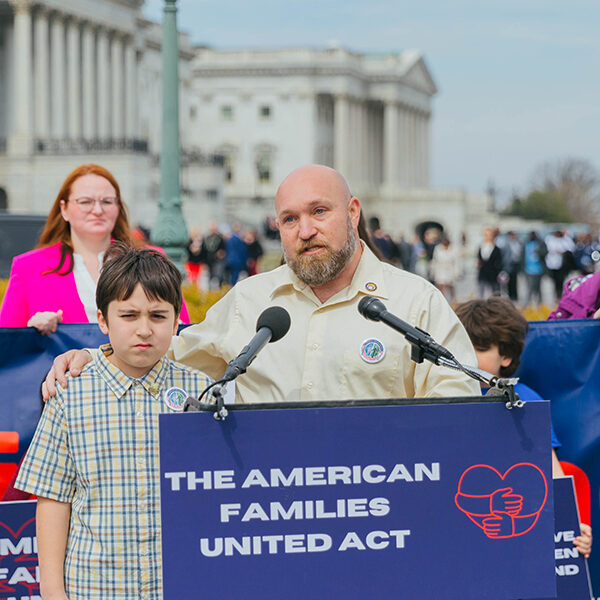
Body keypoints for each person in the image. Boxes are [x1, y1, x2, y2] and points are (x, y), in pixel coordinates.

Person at [44, 164, 480, 403]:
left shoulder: (413, 301)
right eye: (290, 219)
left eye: (319, 212)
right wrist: (90, 355)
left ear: (352, 213)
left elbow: (459, 405)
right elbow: (167, 353)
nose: (305, 230)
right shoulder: (250, 301)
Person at [15, 244, 212, 600]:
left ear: (177, 320)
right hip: (94, 587)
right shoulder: (69, 394)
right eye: (129, 315)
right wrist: (52, 590)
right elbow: (53, 499)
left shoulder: (201, 392)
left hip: (181, 584)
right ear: (103, 320)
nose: (144, 330)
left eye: (157, 316)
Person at [454, 297, 592, 557]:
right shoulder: (442, 396)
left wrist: (574, 530)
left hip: (517, 526)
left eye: (480, 348)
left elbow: (553, 473)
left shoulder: (525, 399)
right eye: (461, 347)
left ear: (505, 356)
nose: (468, 357)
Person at [0, 164, 189, 333]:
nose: (97, 210)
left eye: (107, 202)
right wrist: (31, 332)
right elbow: (7, 344)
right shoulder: (29, 267)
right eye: (85, 202)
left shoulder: (152, 259)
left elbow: (182, 328)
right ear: (64, 209)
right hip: (59, 371)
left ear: (118, 207)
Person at [429, 237, 460, 303]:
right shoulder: (438, 248)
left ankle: (453, 300)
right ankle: (442, 301)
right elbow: (435, 260)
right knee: (441, 286)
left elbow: (456, 262)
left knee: (450, 286)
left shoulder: (454, 249)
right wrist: (432, 272)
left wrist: (457, 272)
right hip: (440, 270)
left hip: (450, 270)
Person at [476, 227, 503, 298]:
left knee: (495, 293)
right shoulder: (481, 247)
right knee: (481, 293)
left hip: (493, 274)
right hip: (483, 273)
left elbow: (499, 262)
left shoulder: (497, 249)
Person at [523, 231, 546, 307]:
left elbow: (544, 253)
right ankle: (528, 304)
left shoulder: (540, 244)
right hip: (528, 269)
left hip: (538, 269)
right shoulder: (526, 244)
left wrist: (539, 252)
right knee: (530, 287)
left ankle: (539, 303)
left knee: (538, 288)